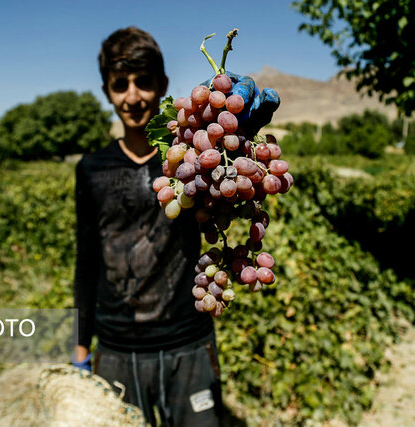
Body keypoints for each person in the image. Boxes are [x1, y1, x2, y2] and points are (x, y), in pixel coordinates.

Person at [72, 26, 278, 426]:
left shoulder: (191, 155)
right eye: (120, 85)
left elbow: (229, 190)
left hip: (188, 339)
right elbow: (86, 260)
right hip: (114, 346)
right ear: (107, 90)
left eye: (144, 82)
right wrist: (81, 349)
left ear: (163, 85)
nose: (133, 96)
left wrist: (235, 124)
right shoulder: (90, 169)